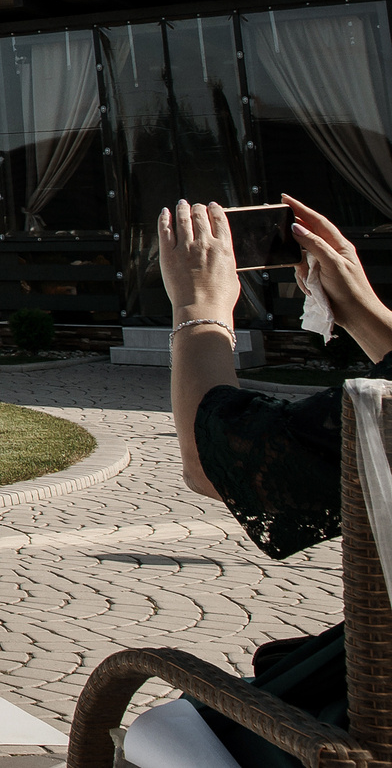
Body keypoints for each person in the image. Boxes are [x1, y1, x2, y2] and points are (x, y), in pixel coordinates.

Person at [124, 196, 392, 768]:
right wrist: (361, 311)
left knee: (163, 728)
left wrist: (200, 306)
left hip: (367, 720)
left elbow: (211, 458)